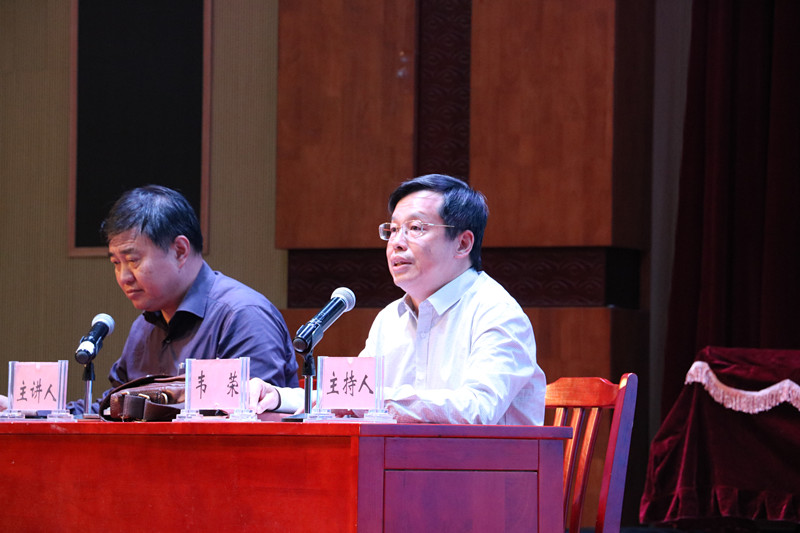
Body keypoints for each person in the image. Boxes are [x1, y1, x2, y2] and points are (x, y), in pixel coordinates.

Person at [249, 174, 546, 424]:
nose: (397, 243)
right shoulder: (390, 318)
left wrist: (376, 399)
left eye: (415, 228)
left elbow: (477, 409)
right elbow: (349, 396)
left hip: (486, 472)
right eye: (392, 230)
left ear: (463, 243)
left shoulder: (496, 312)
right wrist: (278, 397)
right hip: (407, 466)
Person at [0, 185, 298, 416]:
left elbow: (258, 414)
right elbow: (110, 408)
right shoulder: (144, 328)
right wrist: (27, 410)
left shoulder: (242, 314)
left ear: (180, 251)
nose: (123, 277)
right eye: (116, 263)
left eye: (133, 260)